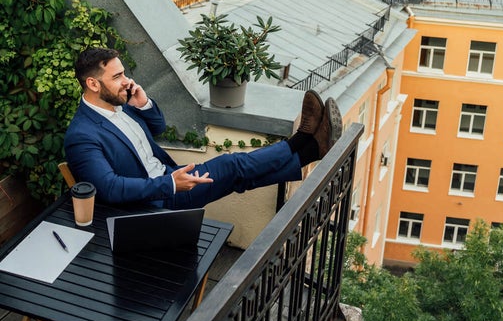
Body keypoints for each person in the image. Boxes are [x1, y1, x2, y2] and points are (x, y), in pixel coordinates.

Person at [64, 47, 342, 209]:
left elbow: (157, 127)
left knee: (238, 176)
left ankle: (311, 149)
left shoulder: (119, 103)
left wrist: (143, 102)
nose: (127, 80)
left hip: (169, 178)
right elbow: (110, 189)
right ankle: (304, 142)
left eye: (124, 72)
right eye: (118, 76)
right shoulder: (82, 136)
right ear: (93, 84)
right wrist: (170, 184)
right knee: (232, 167)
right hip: (158, 201)